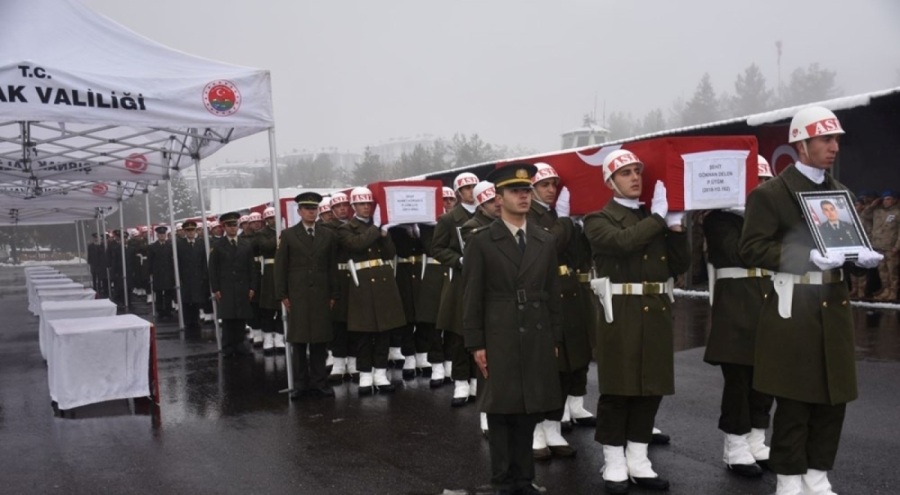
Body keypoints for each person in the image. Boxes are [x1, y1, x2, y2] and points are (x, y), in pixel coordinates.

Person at [740, 106, 882, 495]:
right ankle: (788, 479)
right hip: (794, 306)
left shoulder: (842, 194)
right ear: (801, 144)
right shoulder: (770, 194)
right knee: (794, 400)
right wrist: (804, 257)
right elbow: (751, 248)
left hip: (832, 306)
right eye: (826, 139)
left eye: (837, 139)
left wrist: (860, 261)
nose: (834, 147)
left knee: (832, 398)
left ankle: (817, 474)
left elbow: (844, 246)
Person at [583, 149, 689, 493]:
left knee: (650, 387)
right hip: (622, 310)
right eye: (625, 173)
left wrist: (675, 227)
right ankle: (614, 459)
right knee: (618, 389)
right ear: (610, 181)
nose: (634, 178)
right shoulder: (598, 219)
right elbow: (623, 243)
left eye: (637, 172)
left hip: (655, 307)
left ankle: (639, 458)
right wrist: (658, 219)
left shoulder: (652, 217)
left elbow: (679, 264)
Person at [463, 163, 563, 495]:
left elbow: (552, 293)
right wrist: (476, 342)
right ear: (499, 197)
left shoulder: (543, 239)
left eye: (526, 191)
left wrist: (554, 337)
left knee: (528, 408)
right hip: (499, 331)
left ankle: (524, 479)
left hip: (535, 332)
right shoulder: (482, 241)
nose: (523, 196)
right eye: (515, 191)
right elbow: (472, 296)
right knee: (501, 410)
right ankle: (502, 481)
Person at [702, 155, 776, 478]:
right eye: (756, 181)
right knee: (738, 380)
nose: (761, 188)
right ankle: (735, 445)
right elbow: (737, 253)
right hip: (735, 308)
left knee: (766, 378)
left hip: (767, 302)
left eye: (765, 181)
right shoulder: (719, 219)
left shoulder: (771, 219)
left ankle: (757, 439)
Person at [526, 163, 583, 461]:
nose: (551, 189)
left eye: (554, 184)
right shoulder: (529, 214)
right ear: (532, 187)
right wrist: (565, 220)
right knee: (543, 367)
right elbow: (549, 243)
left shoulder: (554, 215)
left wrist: (576, 223)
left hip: (567, 290)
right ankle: (535, 428)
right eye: (545, 184)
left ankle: (552, 425)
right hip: (545, 292)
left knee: (565, 365)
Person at [337, 187, 406, 395]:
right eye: (361, 204)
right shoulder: (347, 228)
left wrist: (385, 235)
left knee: (384, 331)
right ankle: (365, 374)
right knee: (364, 333)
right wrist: (376, 228)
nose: (366, 207)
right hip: (362, 283)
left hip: (383, 281)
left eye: (369, 204)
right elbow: (356, 244)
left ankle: (380, 373)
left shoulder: (378, 227)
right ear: (354, 207)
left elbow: (390, 253)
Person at [275, 192, 340, 399]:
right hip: (298, 294)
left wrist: (333, 293)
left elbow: (332, 267)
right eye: (307, 209)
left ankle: (319, 383)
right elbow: (280, 267)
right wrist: (282, 294)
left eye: (314, 209)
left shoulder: (328, 234)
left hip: (321, 294)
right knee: (300, 341)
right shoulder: (288, 235)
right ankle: (301, 384)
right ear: (299, 211)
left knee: (320, 341)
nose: (311, 212)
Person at [434, 172, 480, 407]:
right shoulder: (450, 219)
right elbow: (438, 248)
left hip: (485, 280)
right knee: (460, 331)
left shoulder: (489, 213)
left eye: (474, 186)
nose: (471, 191)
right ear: (459, 192)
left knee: (481, 331)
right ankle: (461, 380)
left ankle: (477, 379)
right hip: (461, 280)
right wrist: (459, 260)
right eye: (467, 188)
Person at [208, 212, 259, 357]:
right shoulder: (218, 246)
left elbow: (252, 268)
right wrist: (216, 288)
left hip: (243, 286)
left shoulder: (245, 244)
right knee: (228, 318)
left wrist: (252, 287)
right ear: (224, 227)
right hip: (226, 287)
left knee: (241, 317)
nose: (233, 228)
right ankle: (228, 346)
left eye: (234, 225)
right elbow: (213, 269)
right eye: (229, 226)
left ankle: (240, 344)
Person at [324, 192, 360, 382]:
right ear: (332, 210)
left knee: (354, 321)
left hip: (355, 276)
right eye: (338, 207)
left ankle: (353, 362)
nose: (343, 209)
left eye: (345, 205)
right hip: (336, 277)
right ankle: (338, 363)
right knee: (337, 322)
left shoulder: (357, 225)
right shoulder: (327, 228)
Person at [868, 190, 900, 301]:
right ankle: (886, 290)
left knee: (893, 272)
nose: (886, 201)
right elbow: (864, 215)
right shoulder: (878, 211)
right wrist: (873, 205)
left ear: (895, 200)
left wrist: (897, 246)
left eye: (889, 199)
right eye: (884, 199)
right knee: (882, 272)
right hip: (878, 246)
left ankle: (893, 292)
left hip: (891, 247)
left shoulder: (897, 212)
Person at [177, 220, 208, 332]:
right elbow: (177, 262)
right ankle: (188, 321)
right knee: (186, 300)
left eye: (192, 230)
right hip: (185, 276)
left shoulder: (201, 243)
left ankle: (195, 320)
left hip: (198, 276)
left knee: (196, 299)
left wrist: (204, 275)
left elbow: (204, 260)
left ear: (195, 230)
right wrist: (178, 277)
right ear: (185, 231)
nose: (190, 233)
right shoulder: (179, 245)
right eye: (188, 230)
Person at [148, 225, 176, 320]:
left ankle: (168, 311)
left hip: (168, 272)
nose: (162, 236)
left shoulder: (170, 245)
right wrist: (150, 272)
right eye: (160, 234)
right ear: (157, 235)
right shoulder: (152, 247)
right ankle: (160, 311)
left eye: (163, 234)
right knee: (159, 293)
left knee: (168, 292)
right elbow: (150, 261)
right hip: (158, 273)